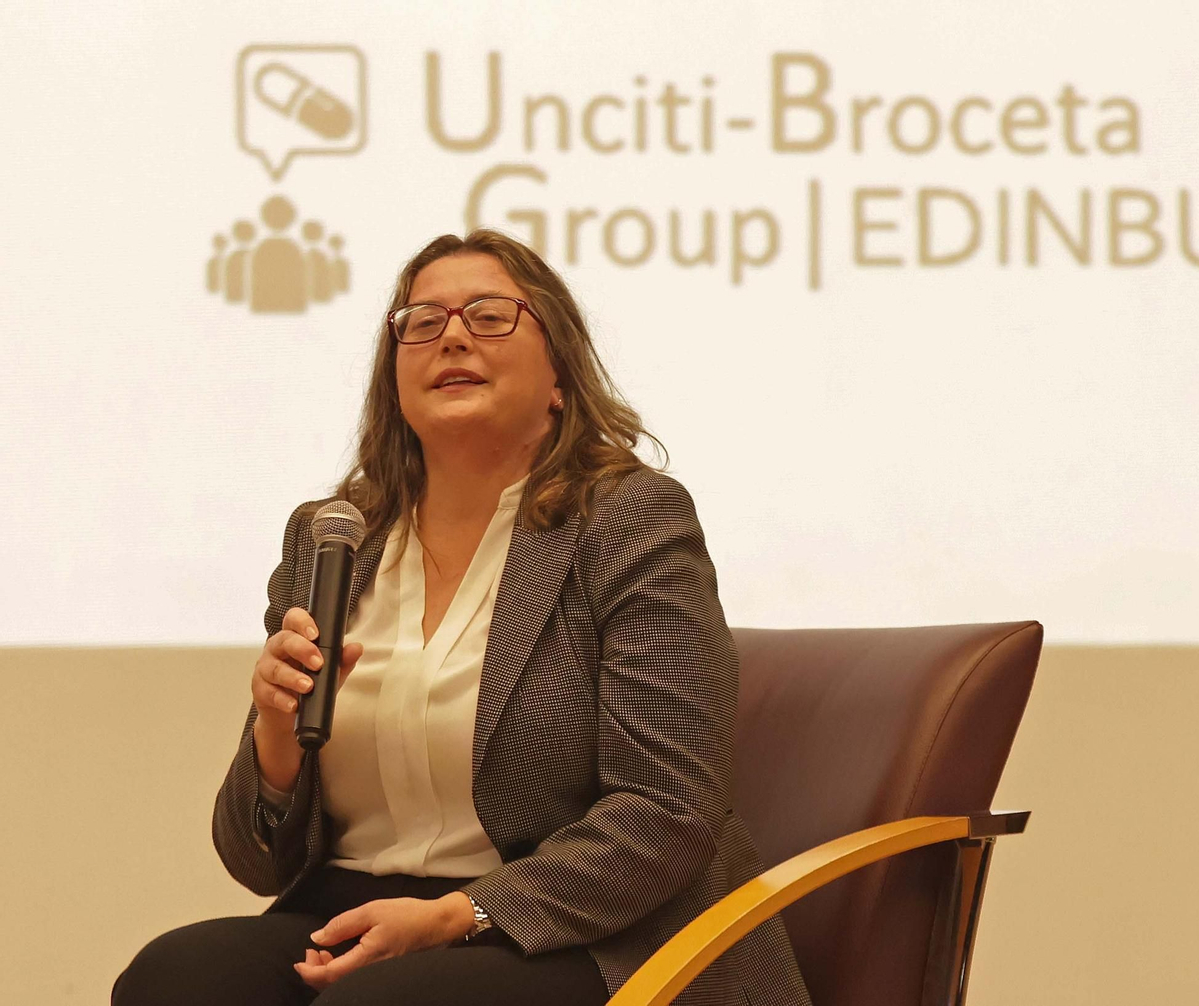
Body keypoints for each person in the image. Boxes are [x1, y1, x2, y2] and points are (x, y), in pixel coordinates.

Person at [114, 229, 814, 1006]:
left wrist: (461, 914)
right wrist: (276, 736)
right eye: (421, 321)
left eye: (489, 316)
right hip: (356, 906)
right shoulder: (335, 536)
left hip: (586, 928)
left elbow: (669, 809)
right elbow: (257, 862)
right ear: (395, 377)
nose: (450, 335)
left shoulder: (628, 521)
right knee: (174, 980)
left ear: (560, 376)